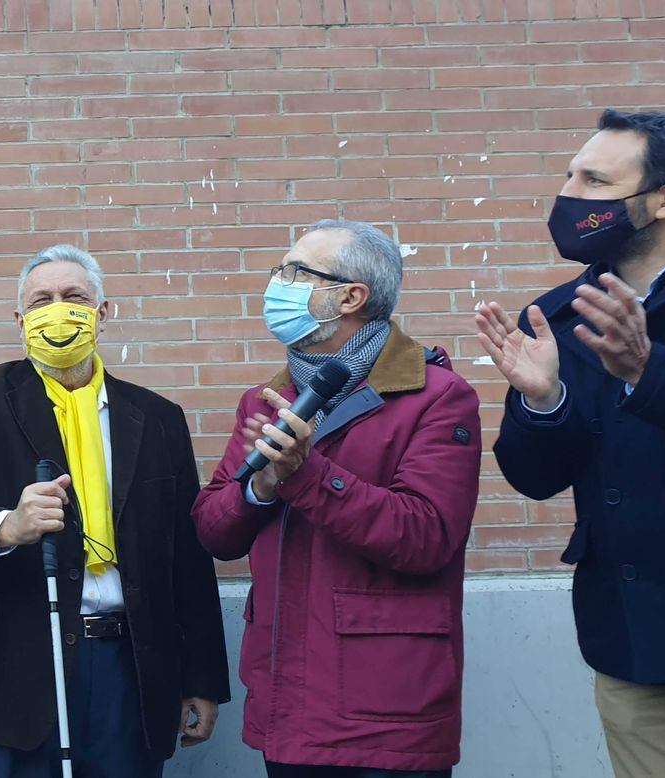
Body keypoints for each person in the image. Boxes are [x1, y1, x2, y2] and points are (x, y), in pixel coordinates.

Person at [0, 245, 231, 778]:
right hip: (11, 667)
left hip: (130, 665)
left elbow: (186, 558)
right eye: (42, 300)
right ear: (21, 320)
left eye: (74, 297)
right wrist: (5, 525)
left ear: (103, 312)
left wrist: (202, 679)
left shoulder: (157, 416)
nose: (59, 309)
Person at [194, 220, 482, 778]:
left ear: (351, 296)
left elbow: (425, 538)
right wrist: (260, 488)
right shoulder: (266, 400)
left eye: (295, 273)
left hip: (386, 712)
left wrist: (306, 477)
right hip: (286, 701)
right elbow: (213, 529)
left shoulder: (437, 396)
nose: (276, 284)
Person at [475, 109, 665, 778]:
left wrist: (647, 371)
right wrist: (542, 401)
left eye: (595, 180)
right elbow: (534, 478)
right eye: (570, 175)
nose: (570, 194)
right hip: (636, 641)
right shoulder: (558, 315)